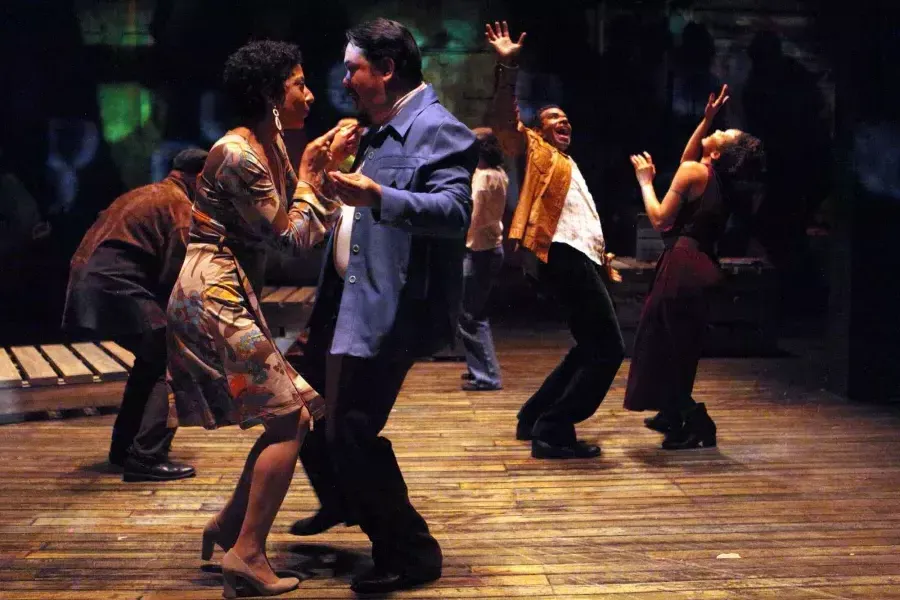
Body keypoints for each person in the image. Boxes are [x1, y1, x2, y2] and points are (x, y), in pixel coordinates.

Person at [290, 18, 477, 594]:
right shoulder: (375, 130)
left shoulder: (440, 130)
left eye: (354, 69)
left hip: (387, 308)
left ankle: (411, 553)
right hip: (343, 302)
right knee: (303, 406)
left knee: (350, 429)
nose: (344, 81)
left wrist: (377, 194)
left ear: (388, 69)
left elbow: (454, 213)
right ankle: (347, 499)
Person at [165, 40, 356, 598]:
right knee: (291, 419)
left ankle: (228, 528)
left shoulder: (262, 141)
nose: (310, 94)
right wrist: (314, 175)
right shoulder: (238, 153)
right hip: (212, 291)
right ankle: (245, 554)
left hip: (227, 286)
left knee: (292, 412)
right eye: (299, 84)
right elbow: (293, 236)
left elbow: (298, 222)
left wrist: (312, 169)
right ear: (272, 96)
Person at [485, 21, 624, 459]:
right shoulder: (536, 151)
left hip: (577, 257)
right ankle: (555, 428)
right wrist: (509, 69)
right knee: (609, 348)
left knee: (591, 345)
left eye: (565, 119)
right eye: (552, 120)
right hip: (559, 254)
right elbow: (505, 125)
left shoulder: (568, 164)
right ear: (539, 131)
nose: (562, 122)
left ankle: (534, 417)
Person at [624, 85, 765, 449]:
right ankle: (673, 414)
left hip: (682, 267)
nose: (717, 130)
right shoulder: (714, 179)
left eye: (720, 133)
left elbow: (658, 219)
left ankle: (695, 421)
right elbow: (687, 163)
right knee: (676, 343)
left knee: (665, 342)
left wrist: (645, 182)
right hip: (699, 266)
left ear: (717, 153)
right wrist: (706, 120)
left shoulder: (694, 173)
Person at [62, 148, 207, 483]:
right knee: (172, 361)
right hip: (113, 287)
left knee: (151, 359)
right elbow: (179, 275)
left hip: (91, 285)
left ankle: (124, 448)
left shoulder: (146, 193)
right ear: (199, 177)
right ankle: (146, 457)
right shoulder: (179, 205)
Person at [459, 127, 507, 391]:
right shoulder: (499, 174)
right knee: (474, 312)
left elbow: (475, 214)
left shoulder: (481, 177)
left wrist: (462, 242)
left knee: (470, 316)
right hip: (491, 249)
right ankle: (479, 369)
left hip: (478, 251)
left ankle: (487, 375)